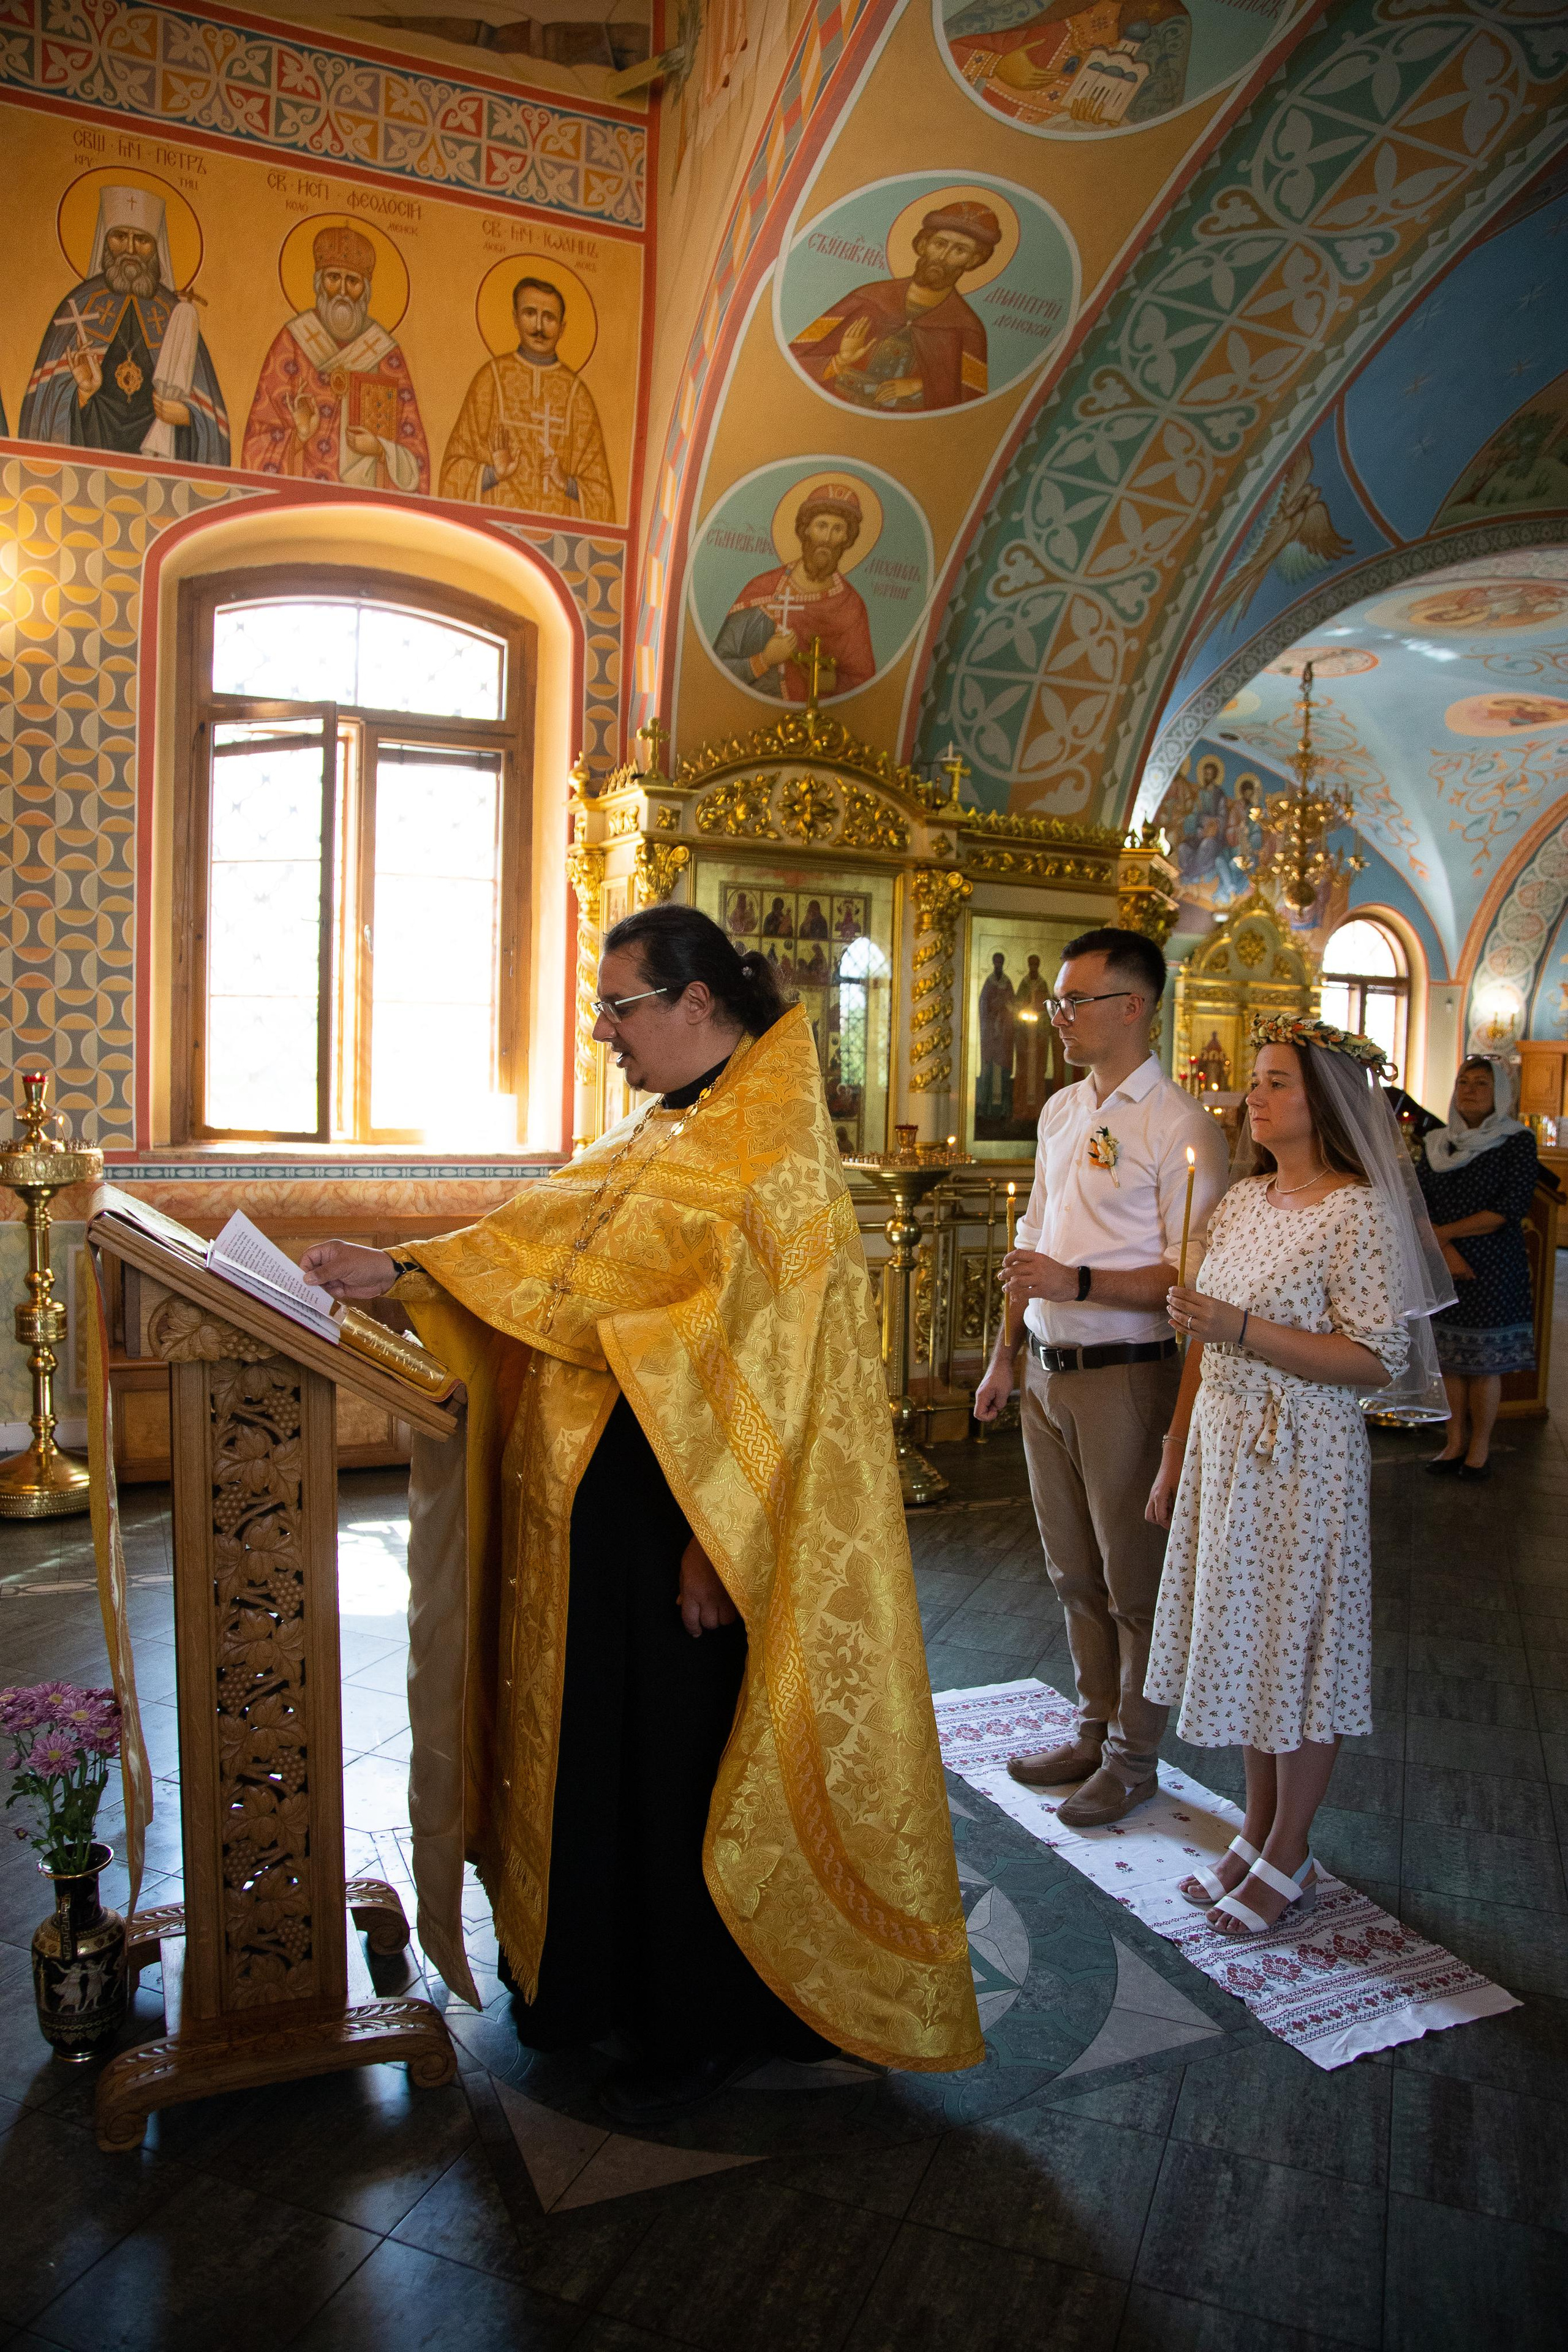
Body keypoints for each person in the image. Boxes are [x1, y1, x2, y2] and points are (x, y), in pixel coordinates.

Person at [300, 905, 982, 2122]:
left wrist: (719, 1544)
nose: (604, 1032)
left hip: (692, 1526)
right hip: (598, 1515)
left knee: (677, 1764)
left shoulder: (773, 1154)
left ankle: (694, 2018)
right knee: (599, 1747)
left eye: (619, 1008)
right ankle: (584, 1986)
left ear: (696, 1005)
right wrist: (402, 1268)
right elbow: (551, 1247)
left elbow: (785, 1377)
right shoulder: (664, 1125)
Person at [1145, 1015, 1453, 1936]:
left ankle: (1290, 1850)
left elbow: (1375, 1358)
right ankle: (1258, 1830)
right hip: (1224, 1444)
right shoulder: (1240, 1202)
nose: (1254, 1096)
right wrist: (1173, 1447)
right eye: (1255, 1080)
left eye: (1276, 1082)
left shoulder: (1355, 1209)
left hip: (1303, 1455)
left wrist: (1241, 1329)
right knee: (1245, 1641)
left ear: (1322, 1105)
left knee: (1298, 1653)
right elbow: (1205, 1336)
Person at [974, 927, 1229, 1828]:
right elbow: (1032, 1243)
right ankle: (1092, 1723)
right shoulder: (1060, 1110)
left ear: (1133, 1007)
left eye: (1076, 1002)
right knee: (1071, 1570)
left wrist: (1076, 1284)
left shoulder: (1181, 1126)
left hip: (1126, 1377)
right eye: (1059, 1003)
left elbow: (1189, 1275)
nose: (1060, 1017)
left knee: (1133, 1581)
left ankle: (1134, 1753)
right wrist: (1005, 1351)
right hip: (1046, 1368)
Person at [21, 184, 228, 464]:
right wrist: (82, 394)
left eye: (142, 240)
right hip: (90, 461)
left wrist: (187, 417)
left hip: (161, 466)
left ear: (156, 248)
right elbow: (44, 409)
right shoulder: (79, 304)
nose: (130, 249)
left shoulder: (175, 314)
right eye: (120, 237)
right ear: (105, 241)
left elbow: (211, 417)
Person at [1418, 1054, 1538, 1478]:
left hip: (1493, 1266)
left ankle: (1479, 1450)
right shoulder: (1437, 1141)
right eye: (1464, 1082)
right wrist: (1444, 1247)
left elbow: (1509, 1208)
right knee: (1451, 1359)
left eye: (1481, 1084)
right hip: (1444, 1261)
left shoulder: (1516, 1141)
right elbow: (1418, 1203)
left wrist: (1447, 1235)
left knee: (1483, 1365)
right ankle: (1453, 1444)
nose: (1469, 1090)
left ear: (1499, 1094)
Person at [241, 223, 429, 492]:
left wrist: (380, 448)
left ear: (365, 290)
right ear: (319, 283)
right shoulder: (293, 341)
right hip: (302, 500)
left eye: (352, 281)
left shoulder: (387, 354)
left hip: (365, 508)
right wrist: (299, 436)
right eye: (333, 278)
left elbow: (415, 451)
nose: (342, 291)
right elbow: (258, 436)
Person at [788, 200, 1000, 413]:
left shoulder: (967, 329)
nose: (943, 258)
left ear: (973, 260)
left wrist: (920, 386)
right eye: (940, 244)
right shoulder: (868, 298)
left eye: (960, 250)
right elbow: (792, 361)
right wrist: (841, 360)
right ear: (924, 245)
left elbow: (969, 408)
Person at [439, 274, 614, 519]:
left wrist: (568, 484)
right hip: (495, 529)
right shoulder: (490, 380)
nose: (539, 327)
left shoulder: (578, 396)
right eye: (530, 313)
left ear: (562, 328)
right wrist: (493, 474)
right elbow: (451, 473)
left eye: (550, 318)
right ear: (515, 319)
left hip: (559, 534)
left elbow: (601, 494)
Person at [710, 483, 876, 703]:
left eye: (838, 529)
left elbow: (862, 681)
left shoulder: (850, 606)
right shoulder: (762, 590)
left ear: (847, 539)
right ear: (806, 529)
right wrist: (765, 659)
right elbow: (715, 671)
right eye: (821, 526)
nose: (827, 538)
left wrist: (827, 681)